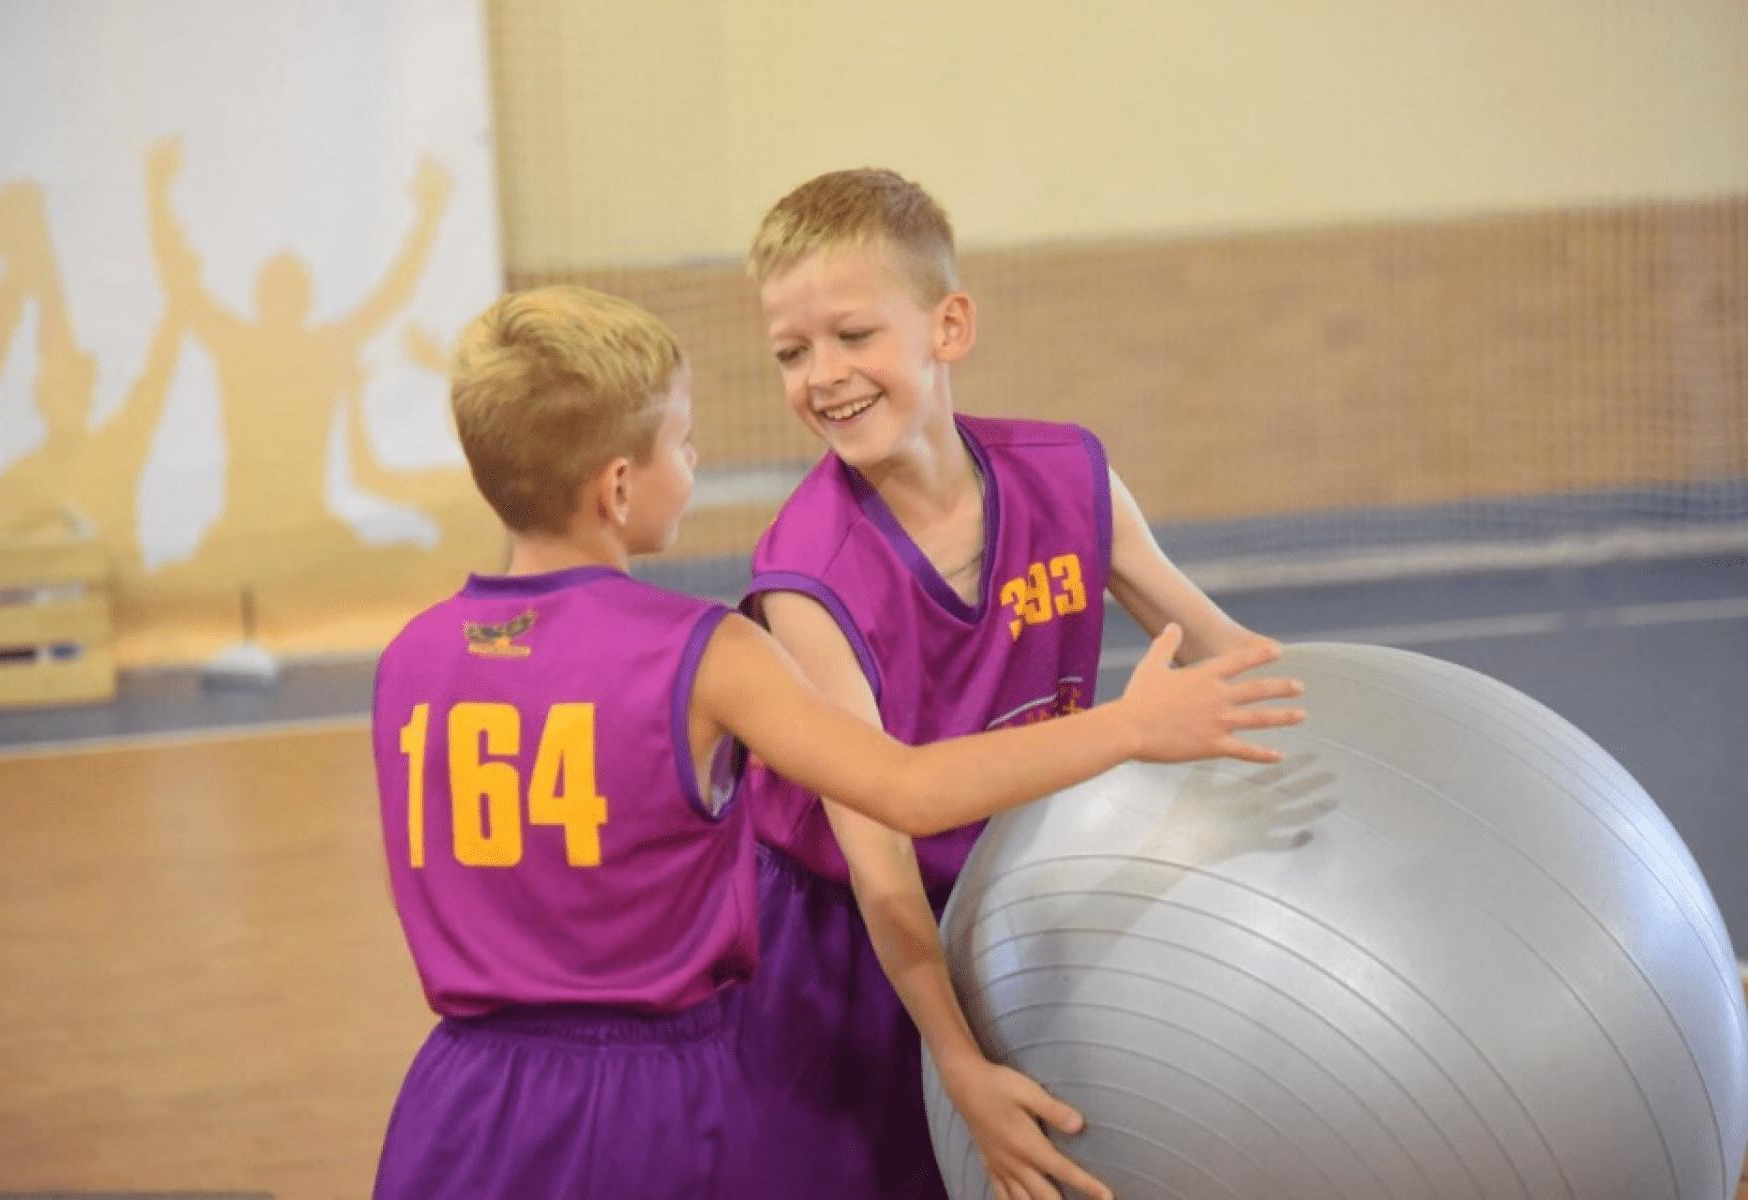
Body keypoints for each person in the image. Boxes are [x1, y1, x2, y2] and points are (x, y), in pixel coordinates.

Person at [369, 284, 1303, 1198]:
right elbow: (906, 790)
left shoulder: (410, 659)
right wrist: (1130, 726)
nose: (693, 459)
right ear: (617, 487)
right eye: (681, 443)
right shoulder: (704, 653)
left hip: (464, 1099)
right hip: (658, 1101)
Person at [737, 168, 1292, 1200]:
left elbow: (1224, 649)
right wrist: (954, 1060)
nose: (824, 375)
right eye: (791, 352)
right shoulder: (807, 579)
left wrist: (1346, 747)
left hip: (1012, 897)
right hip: (853, 939)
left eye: (853, 335)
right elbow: (881, 861)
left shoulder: (1068, 477)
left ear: (948, 326)